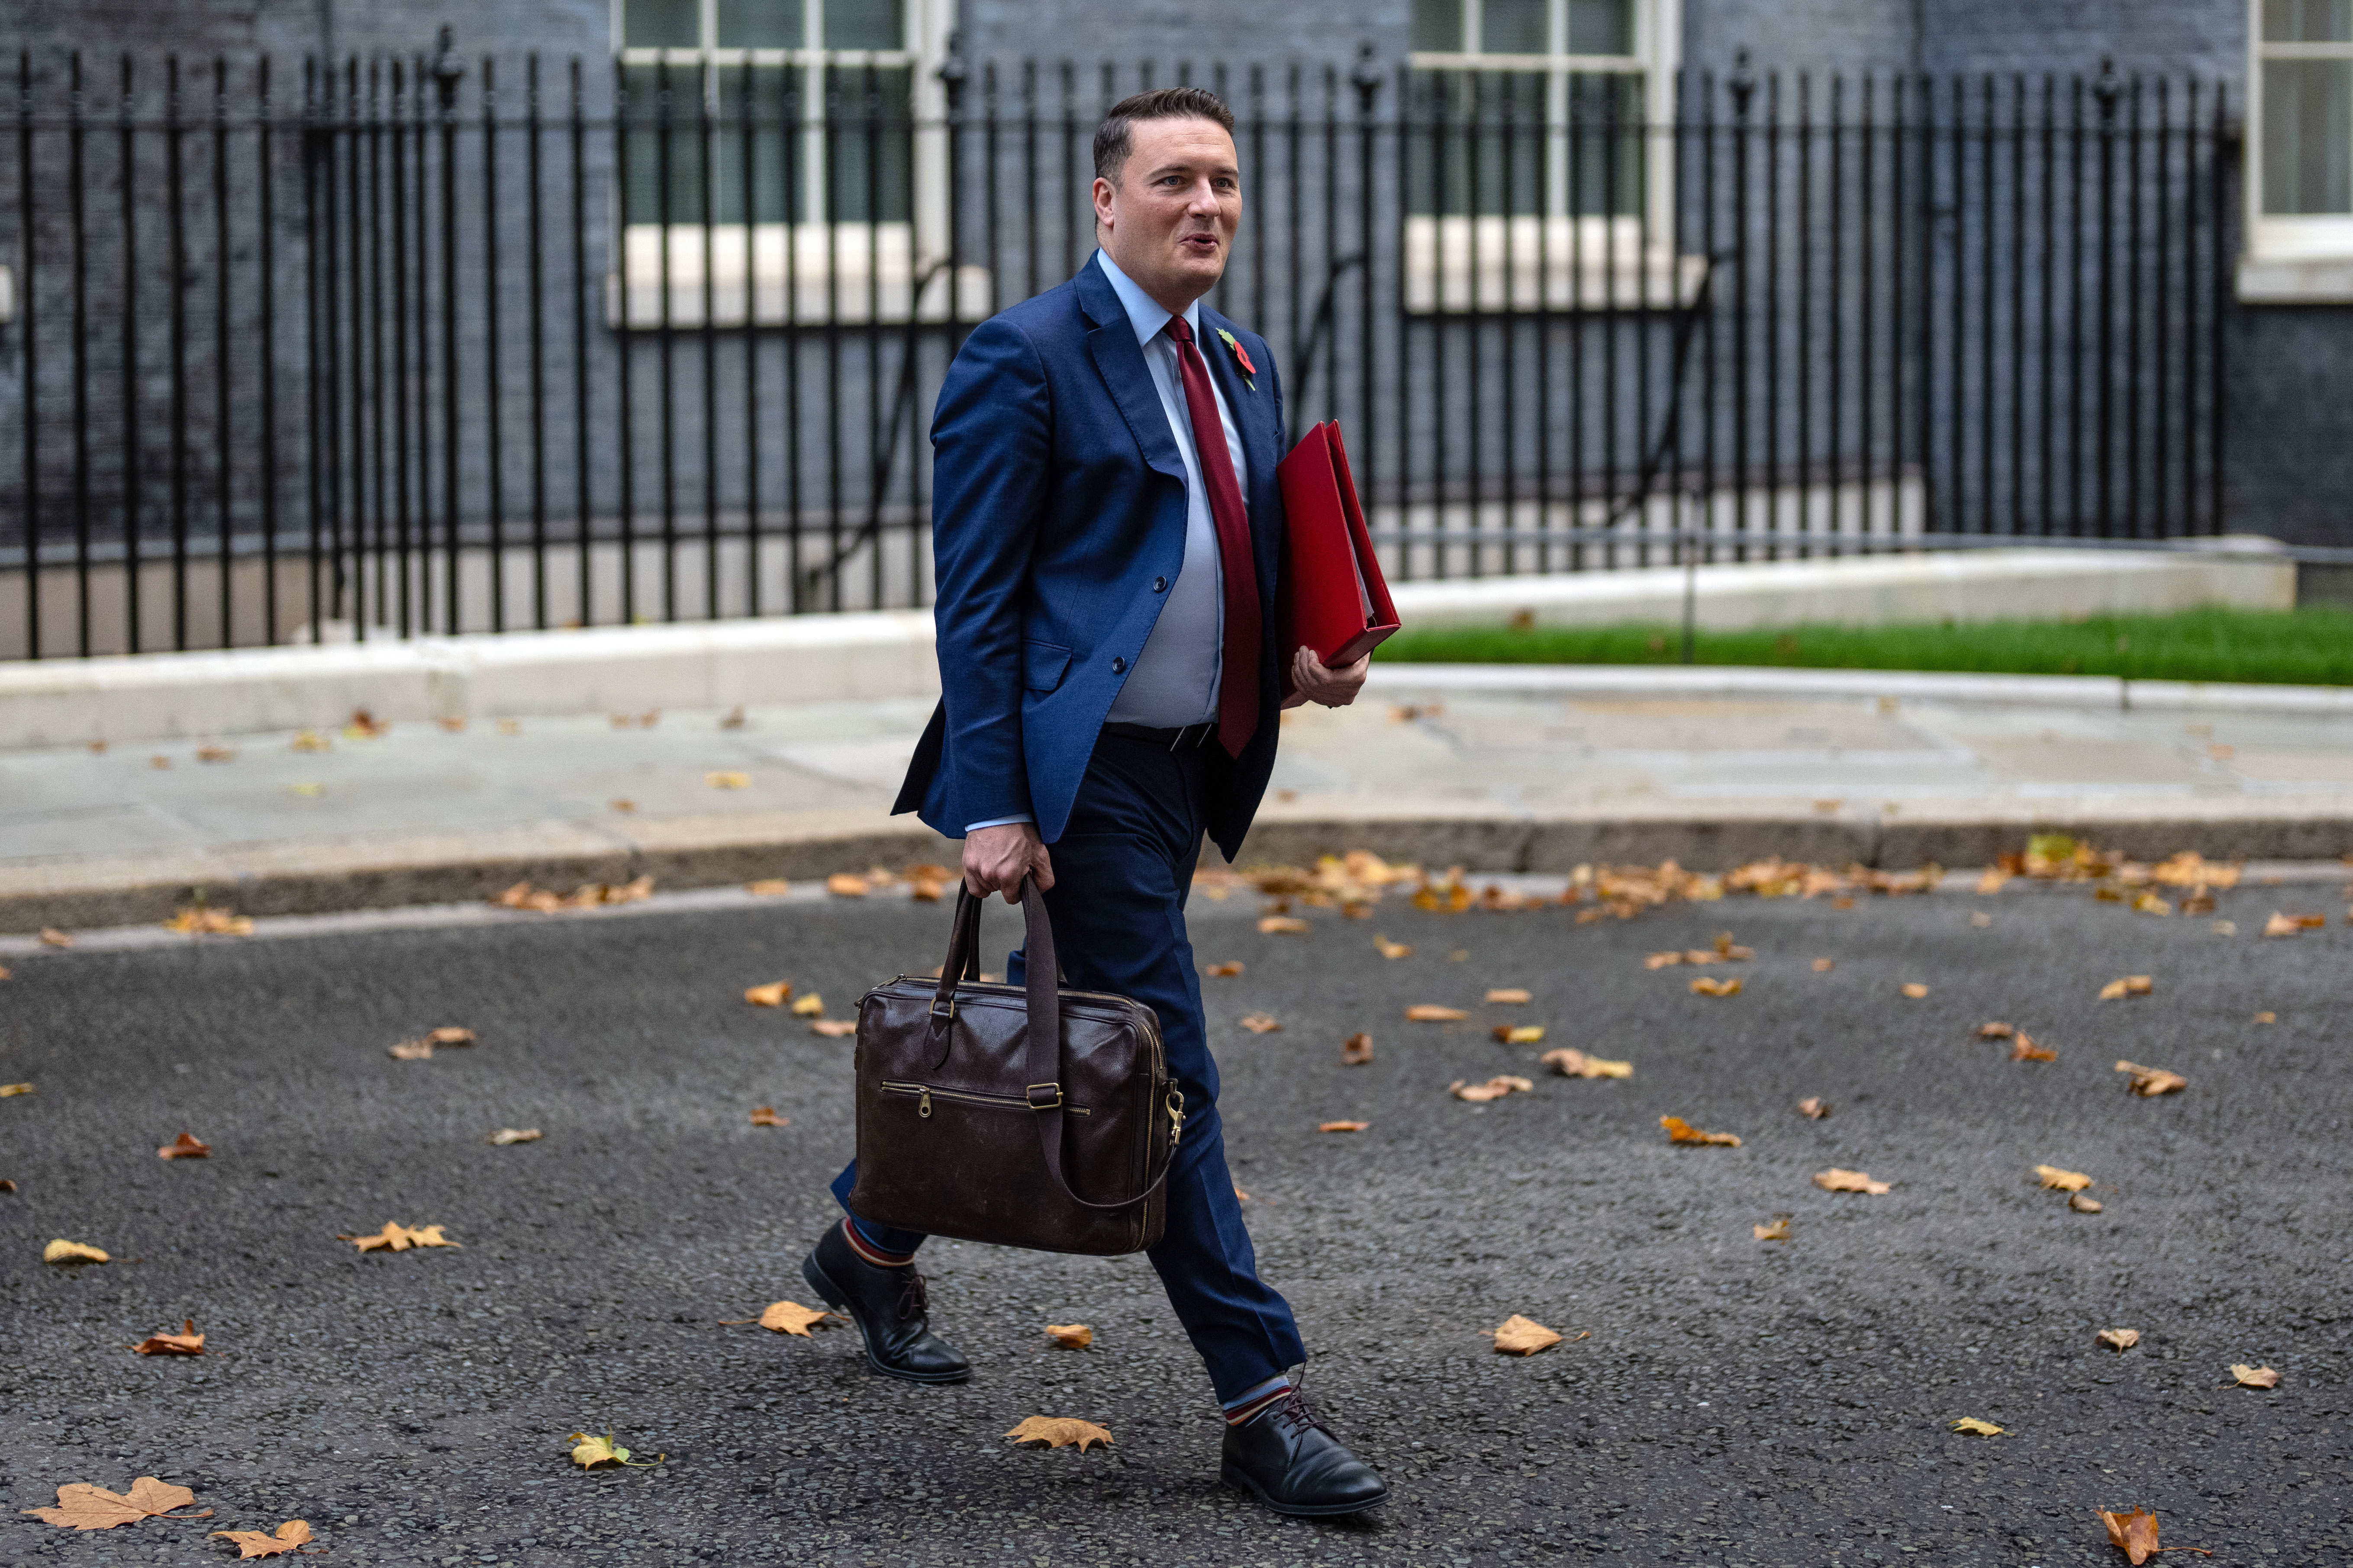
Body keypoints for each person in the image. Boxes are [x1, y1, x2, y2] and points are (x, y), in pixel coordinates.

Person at [795, 85, 1383, 1517]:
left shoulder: (1237, 359)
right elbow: (978, 597)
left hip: (1189, 765)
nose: (1207, 205)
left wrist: (1304, 657)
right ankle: (1263, 1400)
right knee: (1166, 1076)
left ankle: (866, 1249)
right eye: (1175, 180)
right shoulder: (1025, 355)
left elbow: (1222, 557)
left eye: (1226, 182)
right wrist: (994, 799)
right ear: (1105, 203)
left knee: (1047, 1056)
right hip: (1087, 780)